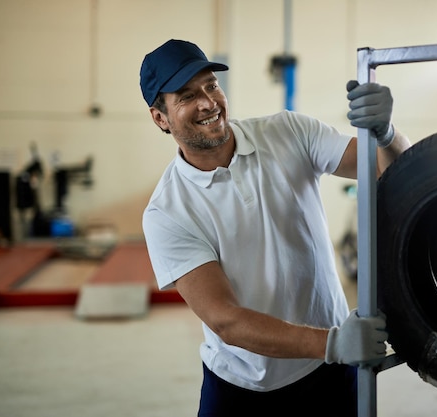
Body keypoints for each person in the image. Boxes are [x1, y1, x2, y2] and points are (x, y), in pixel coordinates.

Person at [139, 39, 411, 417]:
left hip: (330, 374)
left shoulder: (287, 132)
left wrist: (386, 134)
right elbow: (226, 319)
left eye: (211, 86)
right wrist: (333, 343)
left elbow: (388, 171)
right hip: (242, 388)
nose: (207, 102)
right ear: (160, 118)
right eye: (186, 96)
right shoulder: (167, 211)